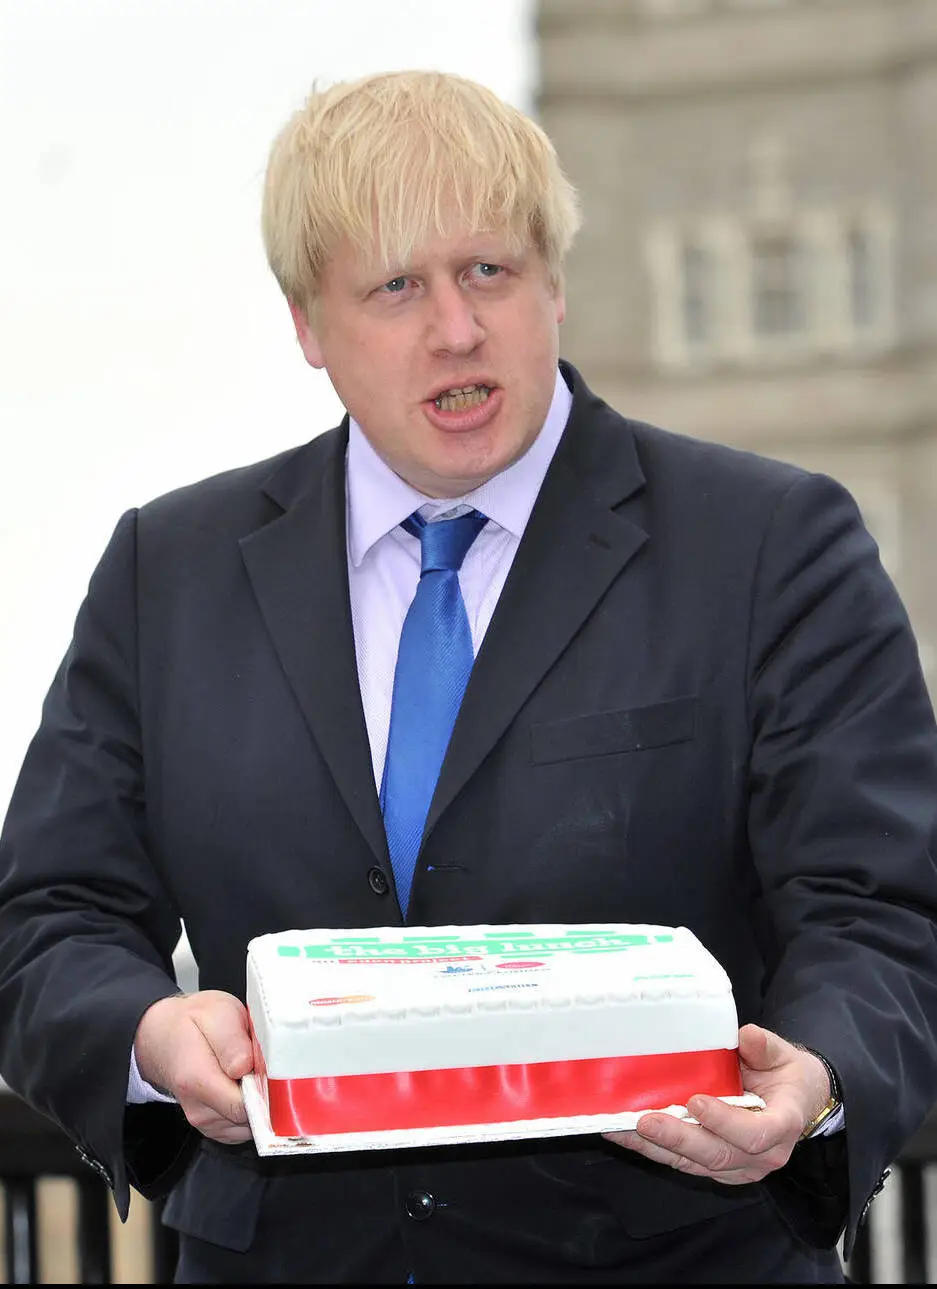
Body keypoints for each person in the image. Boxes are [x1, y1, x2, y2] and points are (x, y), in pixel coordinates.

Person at [1, 68, 936, 1287]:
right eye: (396, 286)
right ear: (306, 324)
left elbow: (878, 906)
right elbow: (48, 916)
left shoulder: (769, 545)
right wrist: (144, 1032)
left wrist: (813, 1074)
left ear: (553, 281)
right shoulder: (165, 573)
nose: (455, 327)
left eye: (488, 270)